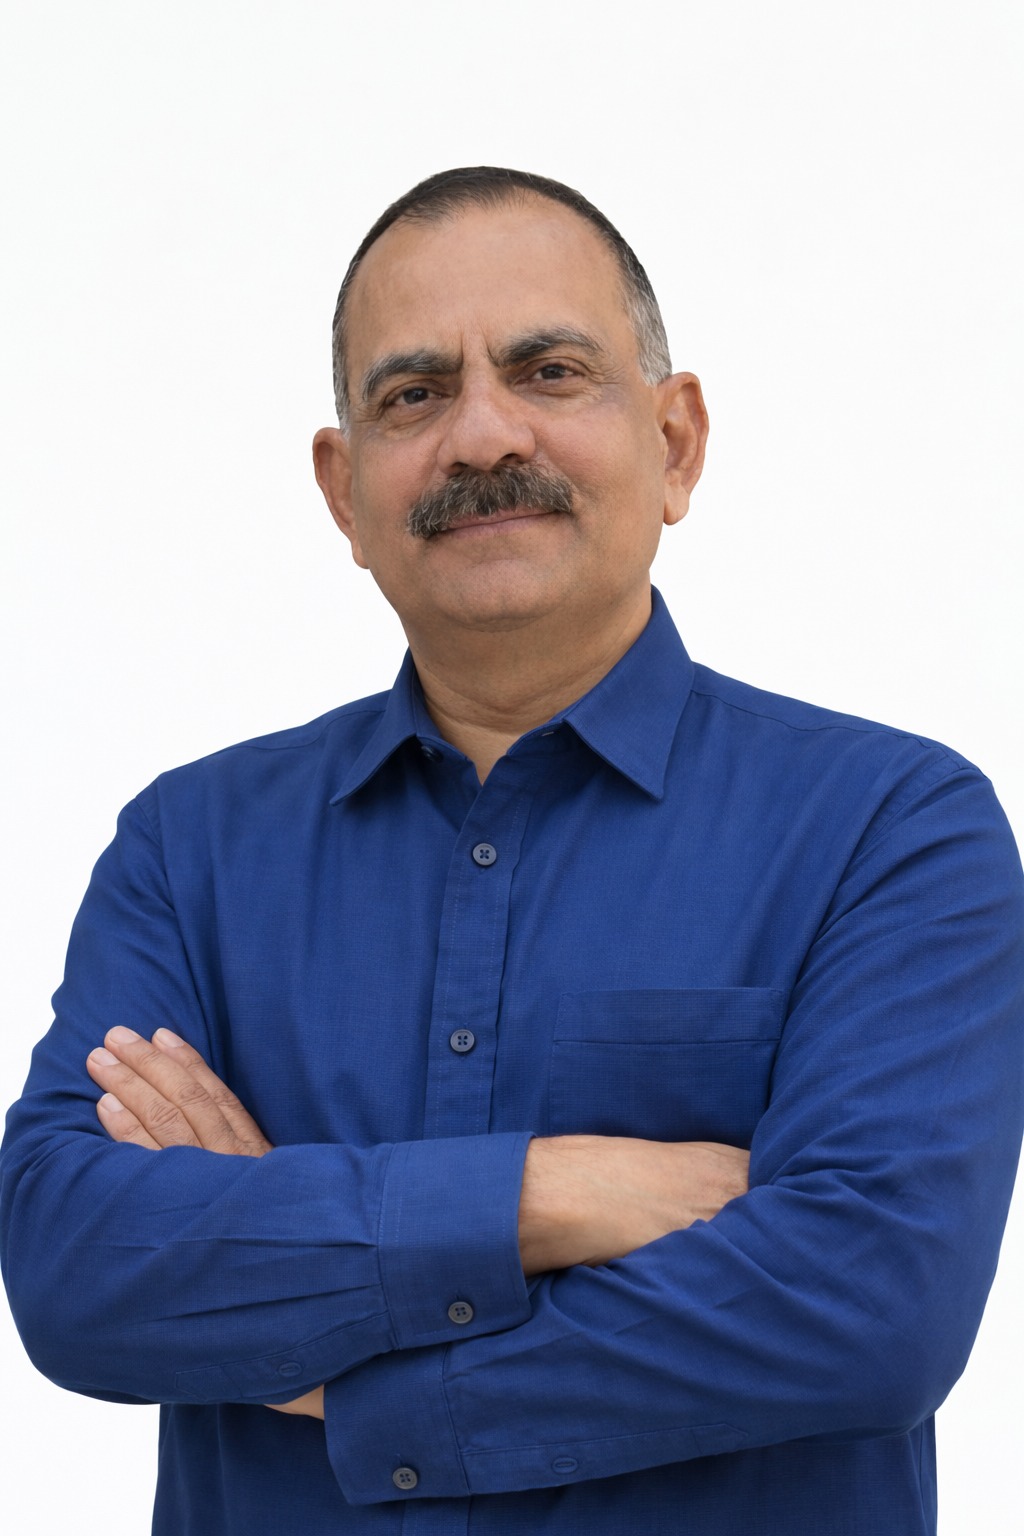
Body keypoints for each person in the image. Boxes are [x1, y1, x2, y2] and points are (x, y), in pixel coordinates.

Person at [2, 166, 1022, 1536]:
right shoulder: (192, 851)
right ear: (343, 491)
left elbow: (868, 1307)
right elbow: (76, 1266)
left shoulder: (890, 830)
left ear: (676, 442)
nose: (482, 435)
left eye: (549, 372)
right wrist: (555, 1192)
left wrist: (333, 1362)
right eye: (414, 395)